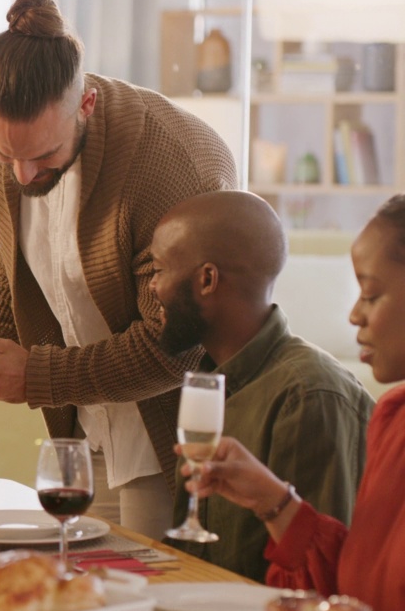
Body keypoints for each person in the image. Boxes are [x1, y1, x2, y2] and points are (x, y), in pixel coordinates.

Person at [0, 0, 237, 539]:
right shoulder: (12, 154)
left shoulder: (165, 169)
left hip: (178, 435)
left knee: (149, 597)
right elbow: (13, 261)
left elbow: (175, 345)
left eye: (42, 156)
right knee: (79, 589)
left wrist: (38, 376)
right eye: (4, 152)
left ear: (85, 104)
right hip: (85, 433)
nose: (20, 175)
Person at [189, 196, 405, 611]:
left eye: (371, 294)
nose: (354, 314)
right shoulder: (393, 417)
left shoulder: (313, 392)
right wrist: (272, 500)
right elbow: (358, 596)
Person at [149, 190, 372, 581]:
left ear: (207, 279)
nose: (152, 287)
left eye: (159, 269)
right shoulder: (209, 382)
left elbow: (317, 578)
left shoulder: (308, 393)